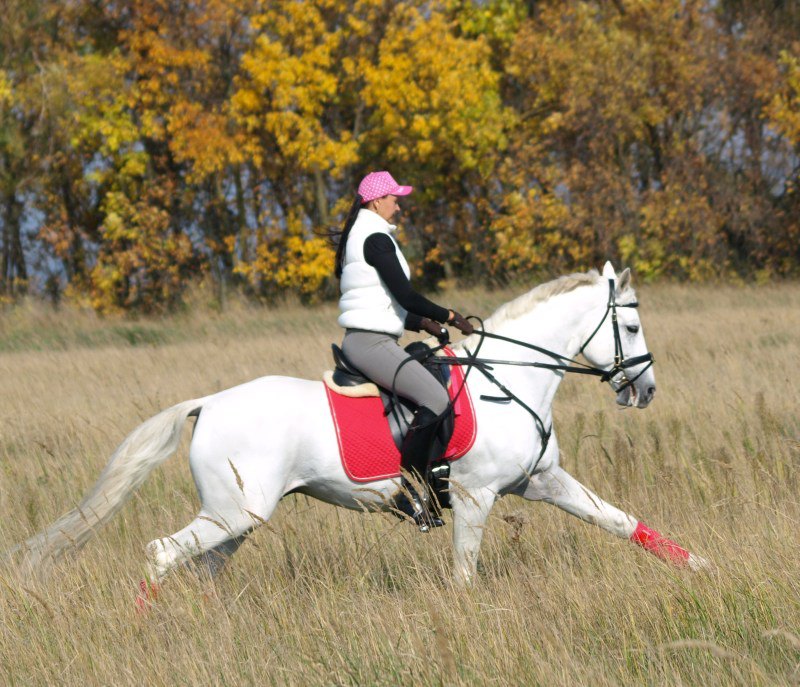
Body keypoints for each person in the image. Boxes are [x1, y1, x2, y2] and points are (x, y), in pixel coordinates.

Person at [334, 171, 474, 532]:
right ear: (376, 201)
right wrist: (449, 315)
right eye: (395, 198)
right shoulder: (376, 238)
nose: (399, 203)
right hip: (371, 344)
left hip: (372, 337)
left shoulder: (363, 234)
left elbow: (379, 301)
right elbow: (406, 296)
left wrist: (422, 324)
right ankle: (410, 490)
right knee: (436, 398)